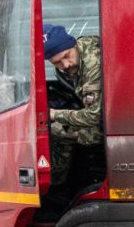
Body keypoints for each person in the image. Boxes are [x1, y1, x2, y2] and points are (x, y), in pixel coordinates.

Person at [43, 23, 102, 186]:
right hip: (109, 117)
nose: (66, 65)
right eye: (57, 63)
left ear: (71, 44)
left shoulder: (92, 63)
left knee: (53, 130)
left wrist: (55, 114)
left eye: (67, 56)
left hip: (114, 127)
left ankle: (56, 184)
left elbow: (93, 116)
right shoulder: (81, 49)